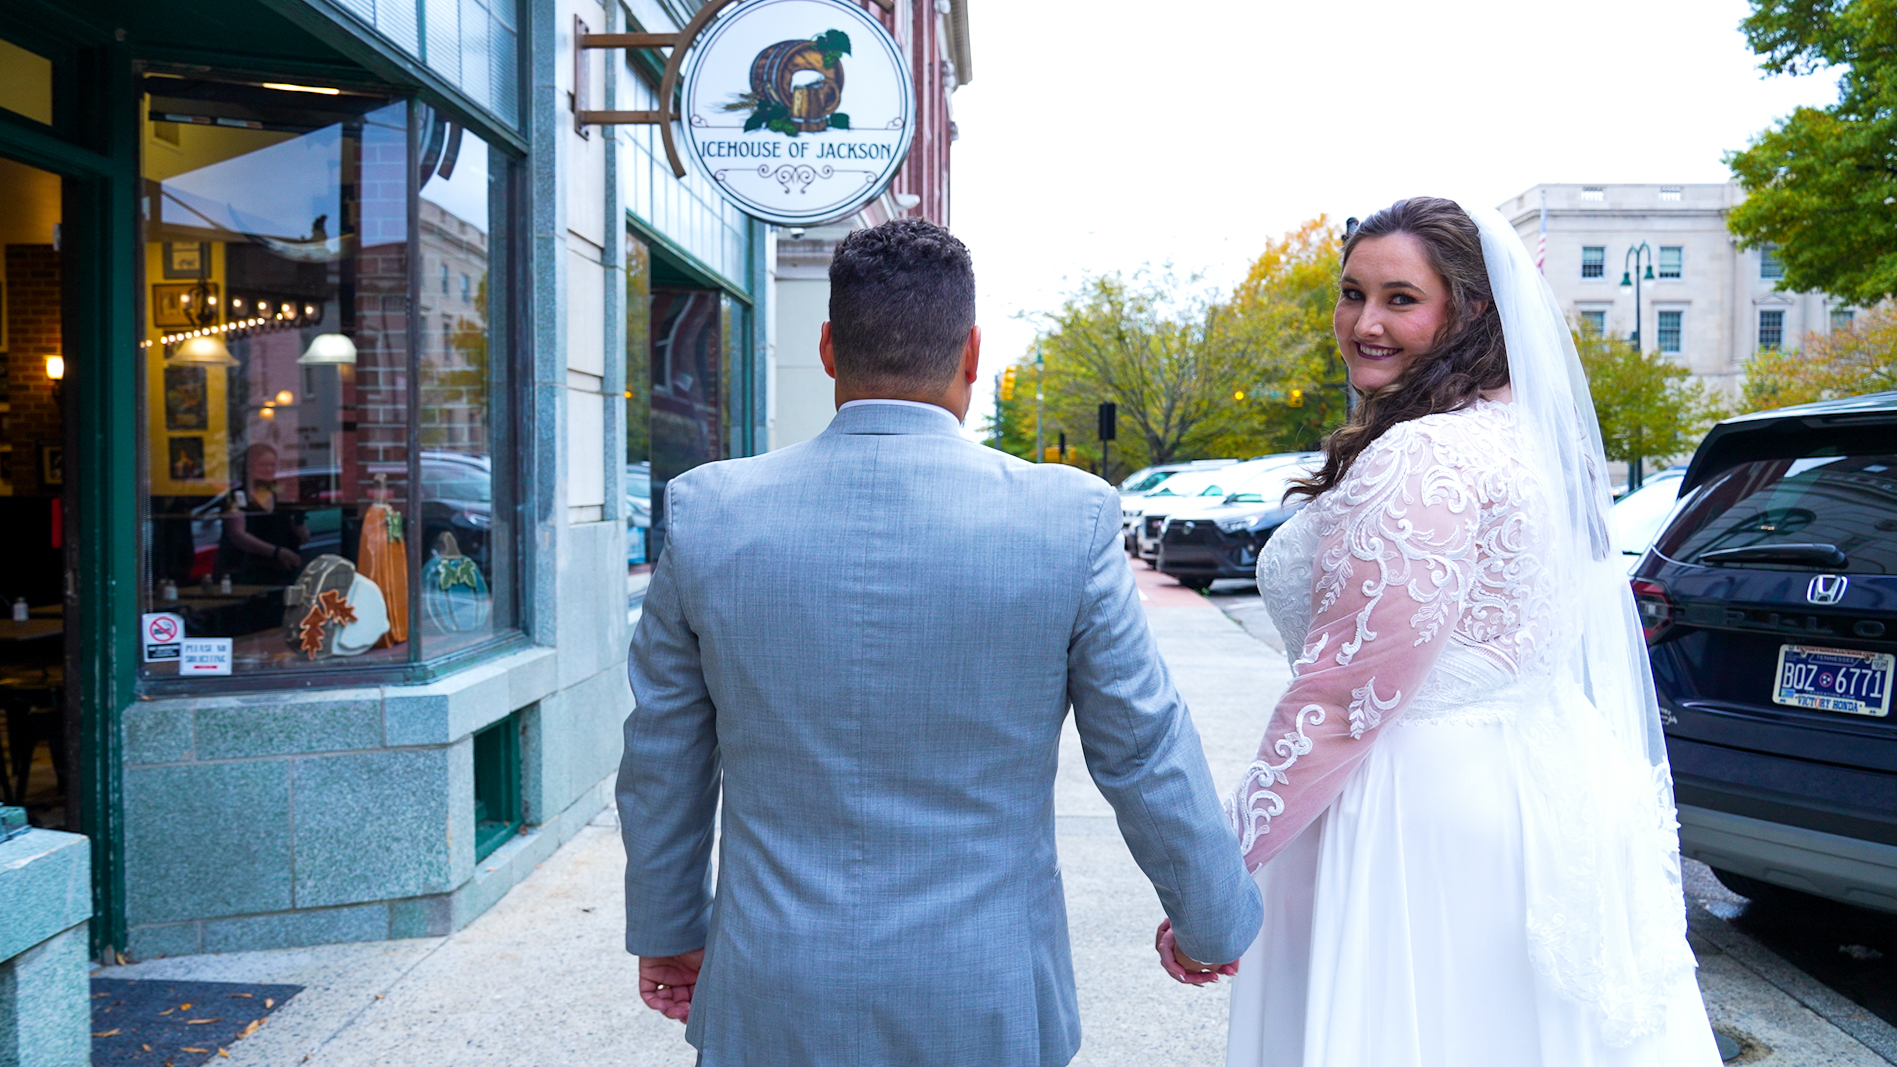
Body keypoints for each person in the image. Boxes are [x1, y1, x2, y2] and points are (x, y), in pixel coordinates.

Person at [619, 218, 1262, 1067]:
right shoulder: (1065, 519)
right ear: (972, 353)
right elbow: (1142, 747)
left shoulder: (709, 511)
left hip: (773, 982)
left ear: (826, 348)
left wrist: (668, 928)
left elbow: (663, 752)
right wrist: (1210, 918)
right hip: (984, 988)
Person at [1208, 198, 1720, 1066]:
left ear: (1471, 310)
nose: (1364, 323)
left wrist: (1220, 872)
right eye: (1351, 293)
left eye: (1399, 299)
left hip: (1411, 812)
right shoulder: (1534, 443)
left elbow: (1342, 700)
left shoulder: (1425, 455)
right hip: (1539, 788)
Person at [217, 442, 306, 585]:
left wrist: (300, 528)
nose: (269, 469)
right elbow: (238, 535)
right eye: (263, 465)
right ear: (249, 467)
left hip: (282, 572)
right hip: (246, 571)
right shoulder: (237, 496)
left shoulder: (281, 495)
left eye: (272, 465)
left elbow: (299, 533)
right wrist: (276, 552)